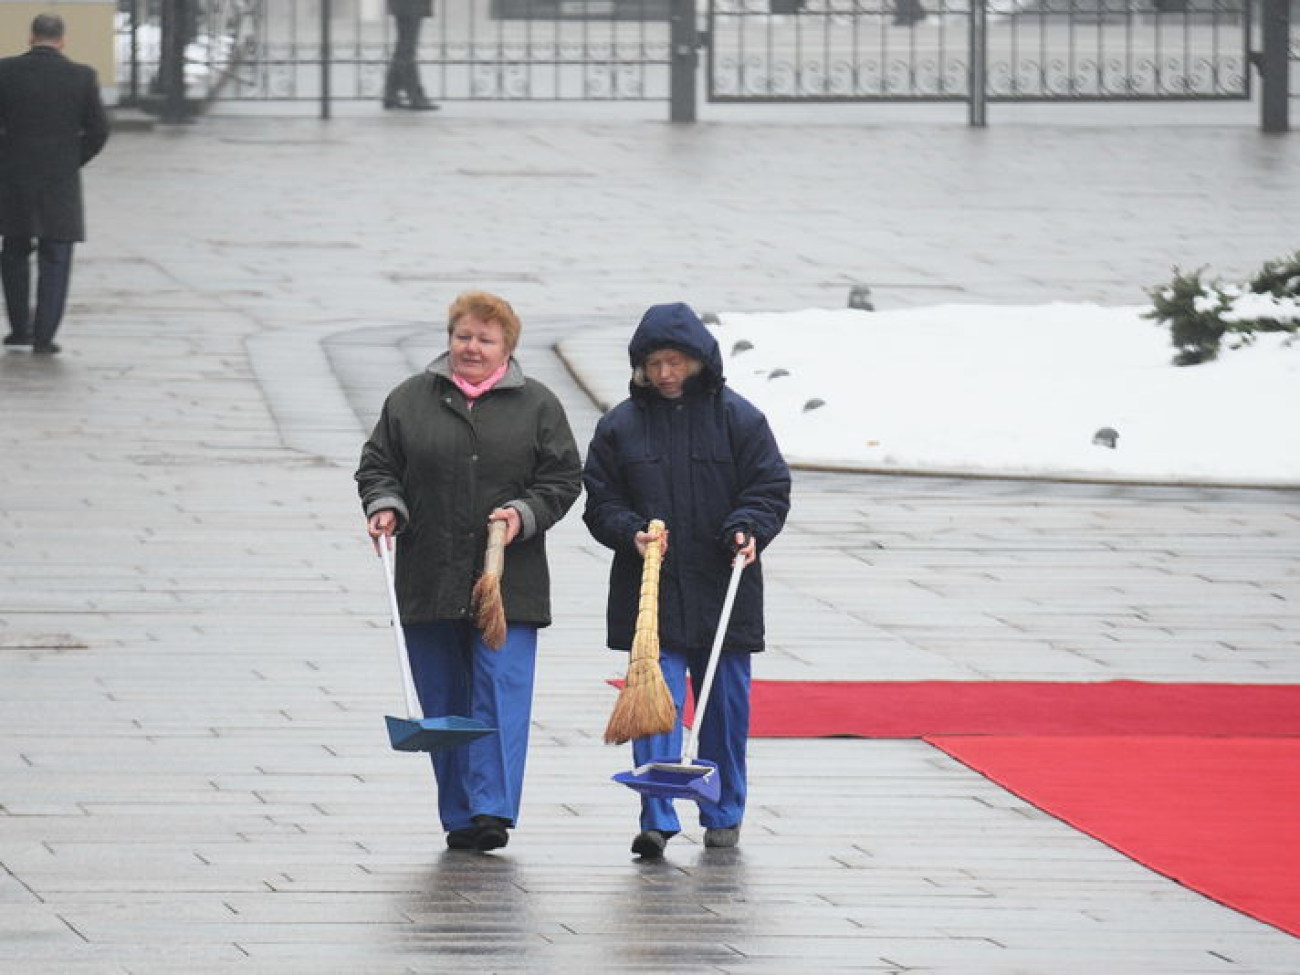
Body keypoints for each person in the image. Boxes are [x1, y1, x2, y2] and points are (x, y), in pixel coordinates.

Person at [355, 291, 581, 851]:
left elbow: (562, 478)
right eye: (463, 336)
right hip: (429, 576)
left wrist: (524, 513)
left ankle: (491, 810)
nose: (471, 347)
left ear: (507, 347)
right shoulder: (409, 400)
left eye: (485, 339)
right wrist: (386, 505)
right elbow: (378, 465)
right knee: (444, 698)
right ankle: (459, 814)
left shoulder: (538, 405)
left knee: (501, 690)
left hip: (509, 582)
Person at [583, 302, 791, 859]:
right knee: (654, 706)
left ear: (699, 360)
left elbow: (769, 487)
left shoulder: (739, 419)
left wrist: (747, 528)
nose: (665, 374)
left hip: (725, 588)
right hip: (651, 596)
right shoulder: (620, 426)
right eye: (655, 364)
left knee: (725, 709)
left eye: (675, 362)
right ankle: (657, 815)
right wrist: (631, 533)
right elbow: (600, 501)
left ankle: (723, 811)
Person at [0, 13, 110, 355]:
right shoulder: (82, 76)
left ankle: (20, 328)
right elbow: (98, 130)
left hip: (14, 177)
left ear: (31, 37)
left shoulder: (5, 71)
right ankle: (45, 336)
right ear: (62, 41)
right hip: (60, 180)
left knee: (14, 250)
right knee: (57, 254)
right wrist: (71, 160)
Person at [383, 0, 438, 111]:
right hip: (411, 5)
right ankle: (414, 95)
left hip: (405, 5)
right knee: (407, 48)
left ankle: (391, 93)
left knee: (404, 46)